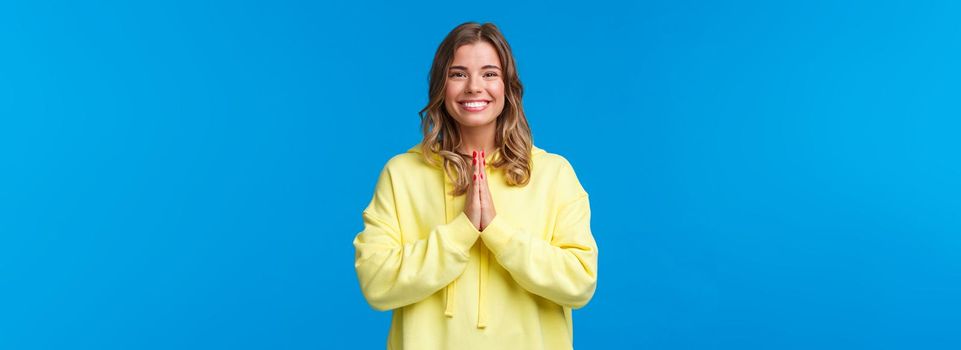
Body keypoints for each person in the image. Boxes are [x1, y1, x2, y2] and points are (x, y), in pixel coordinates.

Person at [352, 21, 598, 350]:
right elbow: (376, 283)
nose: (473, 87)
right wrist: (462, 230)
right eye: (458, 74)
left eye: (489, 73)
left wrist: (497, 232)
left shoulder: (554, 174)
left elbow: (580, 283)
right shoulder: (402, 174)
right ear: (441, 85)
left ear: (508, 86)